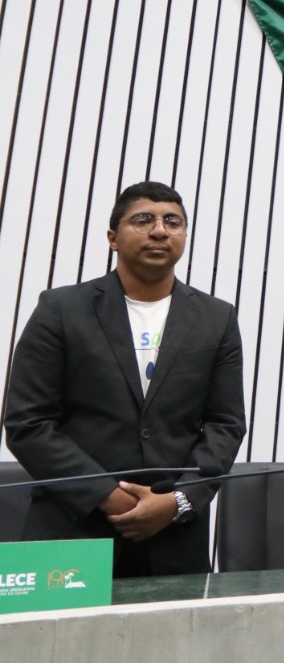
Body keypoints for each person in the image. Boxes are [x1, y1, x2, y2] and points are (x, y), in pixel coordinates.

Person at [3, 181, 246, 577]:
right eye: (144, 220)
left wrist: (179, 500)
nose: (160, 230)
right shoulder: (61, 310)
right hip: (74, 529)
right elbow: (28, 424)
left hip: (174, 535)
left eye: (173, 221)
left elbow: (226, 424)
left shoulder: (217, 318)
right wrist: (107, 496)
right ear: (112, 238)